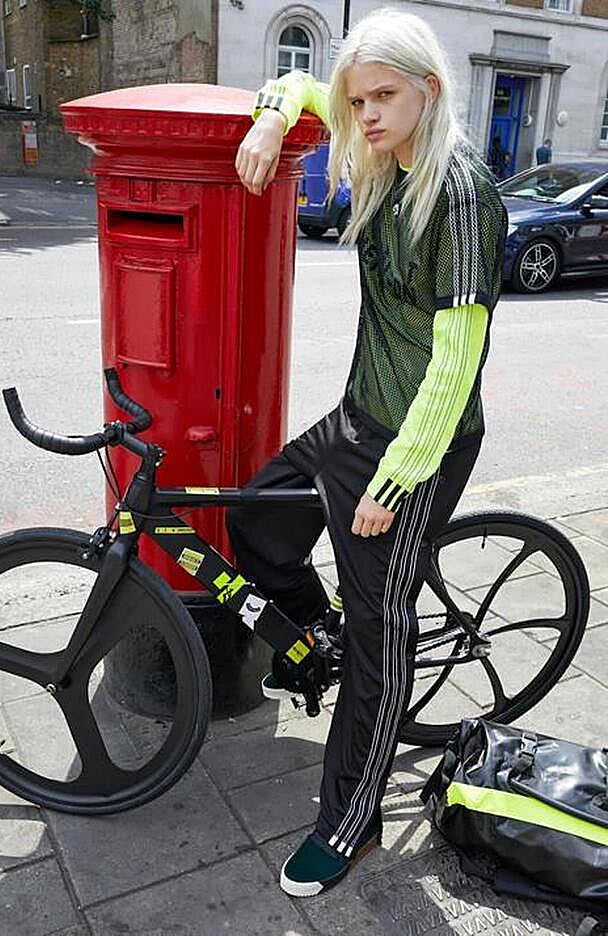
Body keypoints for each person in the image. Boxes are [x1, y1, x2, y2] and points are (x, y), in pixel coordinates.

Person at [229, 7, 507, 898]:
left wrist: (396, 480)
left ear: (430, 89)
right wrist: (274, 115)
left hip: (419, 445)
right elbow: (304, 85)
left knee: (383, 639)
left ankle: (350, 824)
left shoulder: (460, 195)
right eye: (359, 100)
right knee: (257, 519)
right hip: (358, 416)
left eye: (385, 95)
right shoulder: (383, 151)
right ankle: (326, 638)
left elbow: (456, 363)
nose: (367, 113)